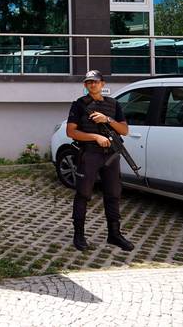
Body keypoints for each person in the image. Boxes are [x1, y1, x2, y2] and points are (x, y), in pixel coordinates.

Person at [66, 70, 134, 252]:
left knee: (113, 194)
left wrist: (107, 119)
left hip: (110, 155)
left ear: (102, 84)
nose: (92, 85)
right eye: (89, 82)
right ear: (85, 85)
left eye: (95, 82)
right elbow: (71, 132)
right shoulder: (79, 105)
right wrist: (94, 136)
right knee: (83, 194)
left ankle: (114, 234)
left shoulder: (114, 104)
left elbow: (124, 130)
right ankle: (79, 235)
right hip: (89, 154)